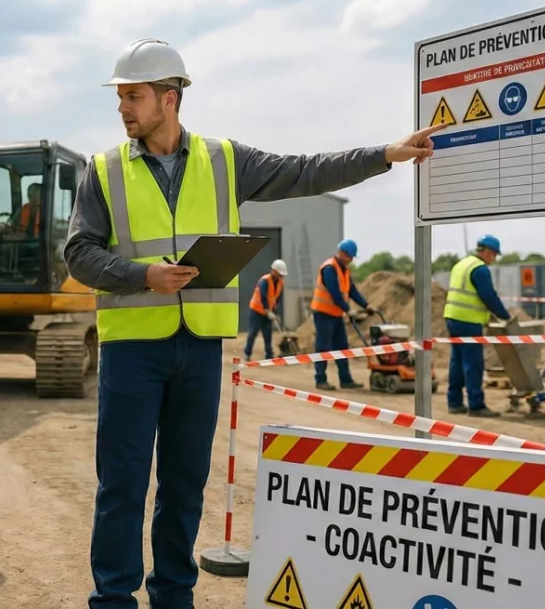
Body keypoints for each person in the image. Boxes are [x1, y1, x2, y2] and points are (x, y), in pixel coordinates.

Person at [63, 37, 447, 609]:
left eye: (133, 96)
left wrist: (384, 154)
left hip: (198, 352)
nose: (123, 108)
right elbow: (78, 254)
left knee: (185, 483)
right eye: (120, 96)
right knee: (121, 486)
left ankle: (173, 596)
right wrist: (143, 275)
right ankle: (113, 600)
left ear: (170, 98)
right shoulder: (103, 171)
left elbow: (303, 172)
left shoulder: (223, 160)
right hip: (131, 351)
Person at [442, 235, 508, 417]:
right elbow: (489, 297)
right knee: (473, 363)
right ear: (486, 251)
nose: (493, 258)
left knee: (457, 361)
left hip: (452, 317)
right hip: (468, 321)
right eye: (494, 254)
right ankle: (476, 405)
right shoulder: (479, 269)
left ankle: (454, 402)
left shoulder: (460, 264)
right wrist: (506, 317)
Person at [310, 239, 375, 391]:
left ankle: (345, 380)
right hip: (323, 313)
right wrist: (349, 310)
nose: (352, 260)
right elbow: (335, 294)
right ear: (343, 254)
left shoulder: (344, 270)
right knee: (323, 347)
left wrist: (366, 305)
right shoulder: (329, 268)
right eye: (351, 257)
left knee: (342, 347)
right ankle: (320, 380)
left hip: (336, 314)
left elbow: (352, 290)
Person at [244, 259, 288, 360]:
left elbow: (277, 298)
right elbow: (263, 297)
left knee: (268, 334)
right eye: (279, 273)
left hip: (268, 313)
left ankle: (269, 355)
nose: (280, 275)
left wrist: (275, 311)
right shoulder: (265, 281)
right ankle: (247, 353)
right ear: (274, 270)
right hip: (256, 310)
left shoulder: (281, 283)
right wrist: (267, 310)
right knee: (252, 333)